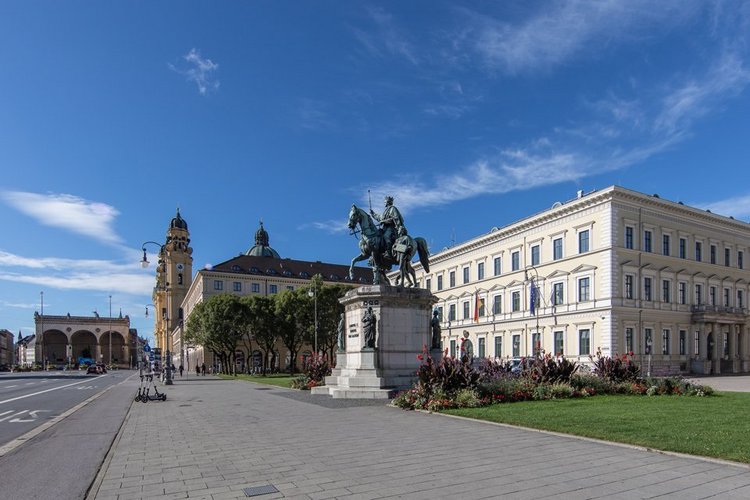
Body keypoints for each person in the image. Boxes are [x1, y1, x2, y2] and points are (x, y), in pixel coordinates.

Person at [370, 195, 404, 259]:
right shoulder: (386, 211)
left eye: (385, 202)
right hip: (385, 228)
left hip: (392, 228)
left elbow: (394, 218)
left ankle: (389, 253)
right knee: (377, 236)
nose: (384, 203)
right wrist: (373, 214)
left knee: (386, 236)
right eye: (384, 202)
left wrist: (384, 221)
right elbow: (380, 217)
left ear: (388, 202)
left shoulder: (393, 209)